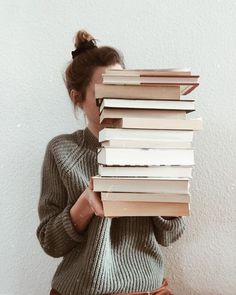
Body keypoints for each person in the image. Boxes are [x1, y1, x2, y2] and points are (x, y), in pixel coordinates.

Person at [36, 30, 186, 295]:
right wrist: (84, 205)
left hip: (147, 290)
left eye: (122, 86)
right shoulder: (62, 150)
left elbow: (171, 235)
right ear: (77, 98)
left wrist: (167, 190)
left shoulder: (150, 146)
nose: (116, 97)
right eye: (105, 88)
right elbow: (50, 243)